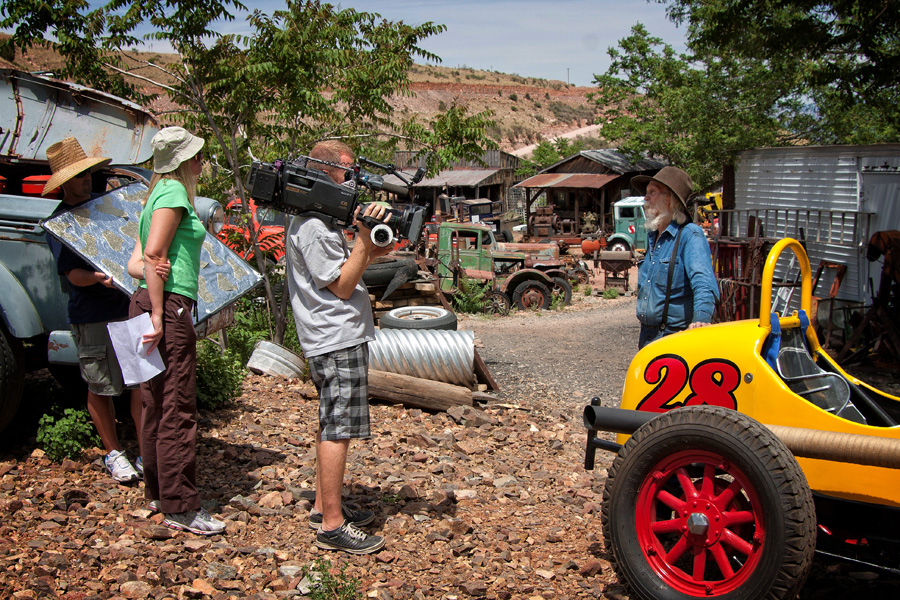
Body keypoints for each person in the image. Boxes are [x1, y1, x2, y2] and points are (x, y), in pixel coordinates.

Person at [286, 140, 391, 554]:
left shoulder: (320, 220)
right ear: (326, 170)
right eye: (348, 171)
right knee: (339, 428)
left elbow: (345, 271)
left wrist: (370, 240)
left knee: (331, 421)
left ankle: (321, 506)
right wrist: (364, 240)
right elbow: (343, 285)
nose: (353, 180)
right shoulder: (311, 226)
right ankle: (332, 525)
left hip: (334, 337)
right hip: (334, 339)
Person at [128, 126, 225, 536]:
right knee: (176, 404)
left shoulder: (155, 195)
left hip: (152, 301)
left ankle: (158, 492)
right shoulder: (172, 195)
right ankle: (181, 505)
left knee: (154, 401)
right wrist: (156, 310)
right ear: (184, 161)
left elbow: (136, 262)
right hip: (165, 307)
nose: (202, 161)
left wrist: (153, 271)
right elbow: (149, 255)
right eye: (198, 155)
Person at [42, 137, 144, 484]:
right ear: (64, 184)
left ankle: (145, 452)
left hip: (127, 306)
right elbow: (72, 275)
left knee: (139, 382)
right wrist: (98, 278)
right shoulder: (60, 222)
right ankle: (114, 454)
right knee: (101, 385)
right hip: (93, 313)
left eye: (88, 173)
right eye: (79, 176)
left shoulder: (108, 206)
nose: (87, 180)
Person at [631, 166, 719, 349]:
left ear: (670, 198)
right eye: (646, 193)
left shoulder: (689, 235)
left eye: (652, 192)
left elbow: (703, 281)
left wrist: (701, 319)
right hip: (647, 337)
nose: (645, 198)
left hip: (674, 339)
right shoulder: (654, 238)